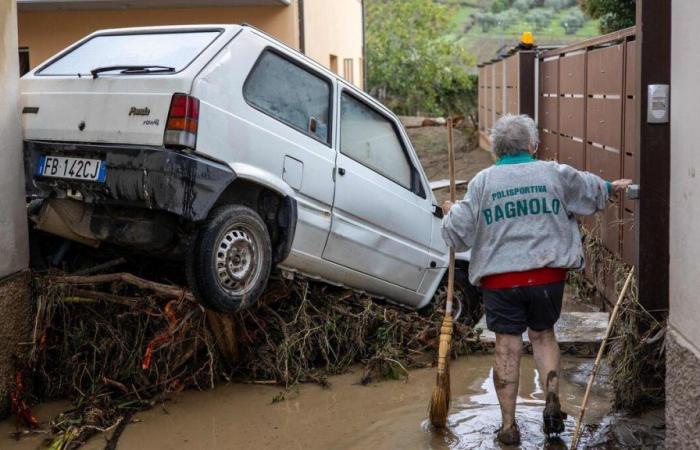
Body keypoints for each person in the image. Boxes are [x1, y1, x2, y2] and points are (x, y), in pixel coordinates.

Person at [441, 114, 631, 446]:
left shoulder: (482, 182)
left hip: (501, 282)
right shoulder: (552, 173)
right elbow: (590, 189)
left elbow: (457, 235)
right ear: (531, 145)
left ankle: (508, 426)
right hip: (547, 277)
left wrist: (449, 213)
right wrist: (609, 188)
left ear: (498, 149)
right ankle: (552, 399)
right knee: (543, 336)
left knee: (507, 345)